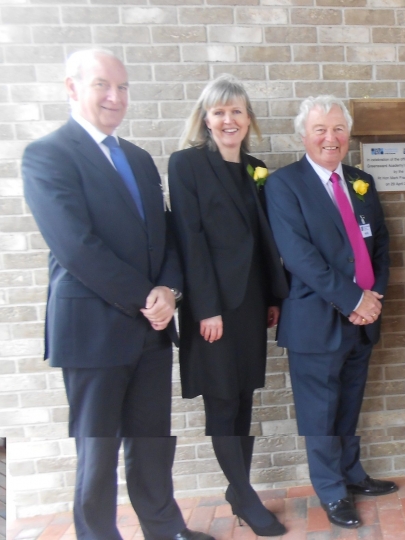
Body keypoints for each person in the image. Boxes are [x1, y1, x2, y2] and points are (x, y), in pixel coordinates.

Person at [21, 49, 212, 540]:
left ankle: (165, 528)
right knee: (98, 451)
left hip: (150, 329)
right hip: (93, 331)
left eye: (123, 87)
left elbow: (166, 234)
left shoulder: (139, 158)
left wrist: (170, 290)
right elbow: (75, 246)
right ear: (72, 88)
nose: (115, 96)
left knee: (152, 443)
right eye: (103, 85)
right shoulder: (47, 155)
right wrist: (147, 297)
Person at [264, 96, 397, 529]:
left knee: (349, 405)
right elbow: (299, 256)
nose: (330, 138)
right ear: (304, 135)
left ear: (349, 134)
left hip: (363, 320)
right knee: (319, 412)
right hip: (314, 322)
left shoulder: (362, 181)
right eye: (320, 129)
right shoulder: (284, 184)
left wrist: (373, 296)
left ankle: (352, 474)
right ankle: (331, 489)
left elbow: (379, 245)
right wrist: (354, 299)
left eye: (338, 129)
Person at [167, 74, 290, 537]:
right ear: (206, 119)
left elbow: (262, 242)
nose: (228, 119)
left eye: (236, 111)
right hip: (213, 307)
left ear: (248, 120)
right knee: (221, 402)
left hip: (252, 304)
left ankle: (239, 490)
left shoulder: (255, 168)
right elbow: (190, 239)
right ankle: (245, 495)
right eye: (219, 111)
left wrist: (274, 298)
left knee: (243, 400)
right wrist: (206, 309)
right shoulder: (186, 165)